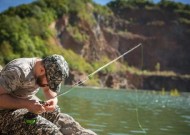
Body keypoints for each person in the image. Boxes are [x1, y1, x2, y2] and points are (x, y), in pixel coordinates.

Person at [0, 54, 96, 135]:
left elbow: (49, 91)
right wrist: (27, 104)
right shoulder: (19, 71)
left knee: (54, 111)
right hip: (3, 113)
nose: (49, 85)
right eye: (49, 82)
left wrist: (53, 101)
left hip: (20, 107)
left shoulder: (43, 71)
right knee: (50, 130)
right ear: (42, 70)